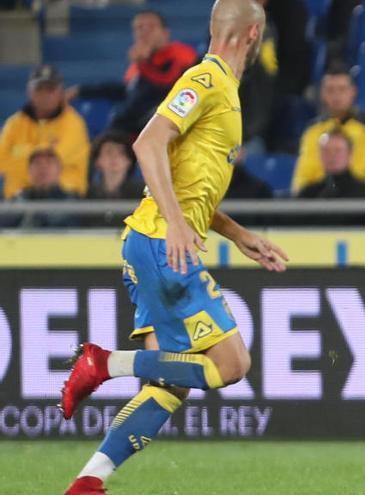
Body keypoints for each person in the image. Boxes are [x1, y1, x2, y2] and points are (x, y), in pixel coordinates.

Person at [60, 3, 289, 495]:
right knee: (233, 366)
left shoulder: (221, 88)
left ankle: (89, 481)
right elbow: (147, 144)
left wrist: (237, 233)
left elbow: (191, 186)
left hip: (153, 240)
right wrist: (181, 225)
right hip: (162, 242)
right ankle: (106, 363)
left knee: (171, 383)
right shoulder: (206, 81)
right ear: (253, 35)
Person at [66, 10, 198, 135]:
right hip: (131, 126)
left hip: (164, 124)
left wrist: (143, 64)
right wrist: (81, 90)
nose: (144, 32)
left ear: (165, 33)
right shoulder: (141, 63)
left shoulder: (182, 54)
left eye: (151, 27)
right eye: (139, 28)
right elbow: (128, 91)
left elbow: (170, 86)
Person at [290, 66, 365, 197]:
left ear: (353, 92)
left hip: (360, 207)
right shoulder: (312, 131)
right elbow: (303, 178)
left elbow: (361, 178)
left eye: (342, 89)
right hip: (319, 204)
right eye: (330, 90)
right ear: (322, 93)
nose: (336, 96)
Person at [0, 65, 90, 199]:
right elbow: (2, 160)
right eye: (39, 89)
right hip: (19, 196)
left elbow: (53, 162)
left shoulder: (74, 123)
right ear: (29, 92)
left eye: (50, 89)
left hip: (65, 195)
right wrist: (40, 153)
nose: (44, 95)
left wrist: (20, 151)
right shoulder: (15, 123)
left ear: (60, 92)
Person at [12, 148, 79, 228]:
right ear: (29, 172)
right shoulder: (20, 198)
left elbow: (61, 223)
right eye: (37, 163)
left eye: (49, 163)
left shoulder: (71, 199)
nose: (43, 168)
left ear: (59, 170)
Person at [86, 131, 144, 200]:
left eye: (121, 152)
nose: (114, 157)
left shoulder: (142, 193)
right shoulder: (86, 193)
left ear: (129, 161)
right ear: (97, 160)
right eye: (109, 152)